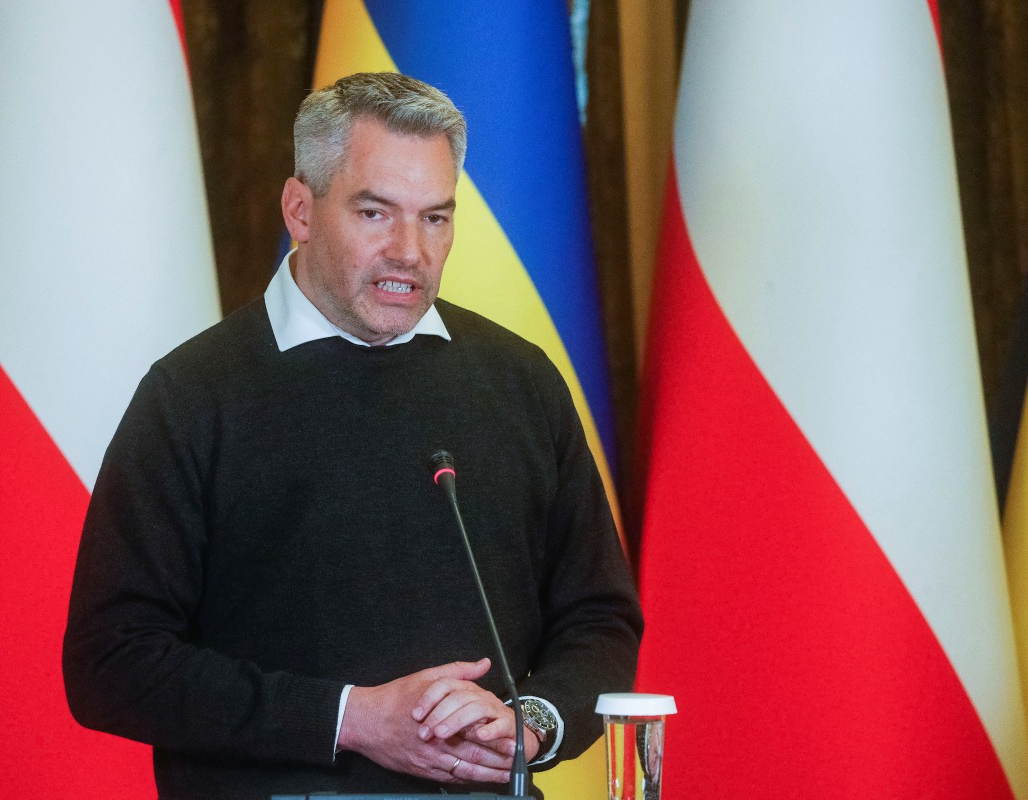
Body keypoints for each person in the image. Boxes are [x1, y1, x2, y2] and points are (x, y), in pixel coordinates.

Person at [63, 71, 642, 799]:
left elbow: (598, 618)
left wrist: (531, 724)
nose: (409, 250)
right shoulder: (193, 396)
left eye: (435, 218)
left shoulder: (520, 382)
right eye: (375, 213)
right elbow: (110, 662)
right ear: (300, 210)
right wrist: (348, 718)